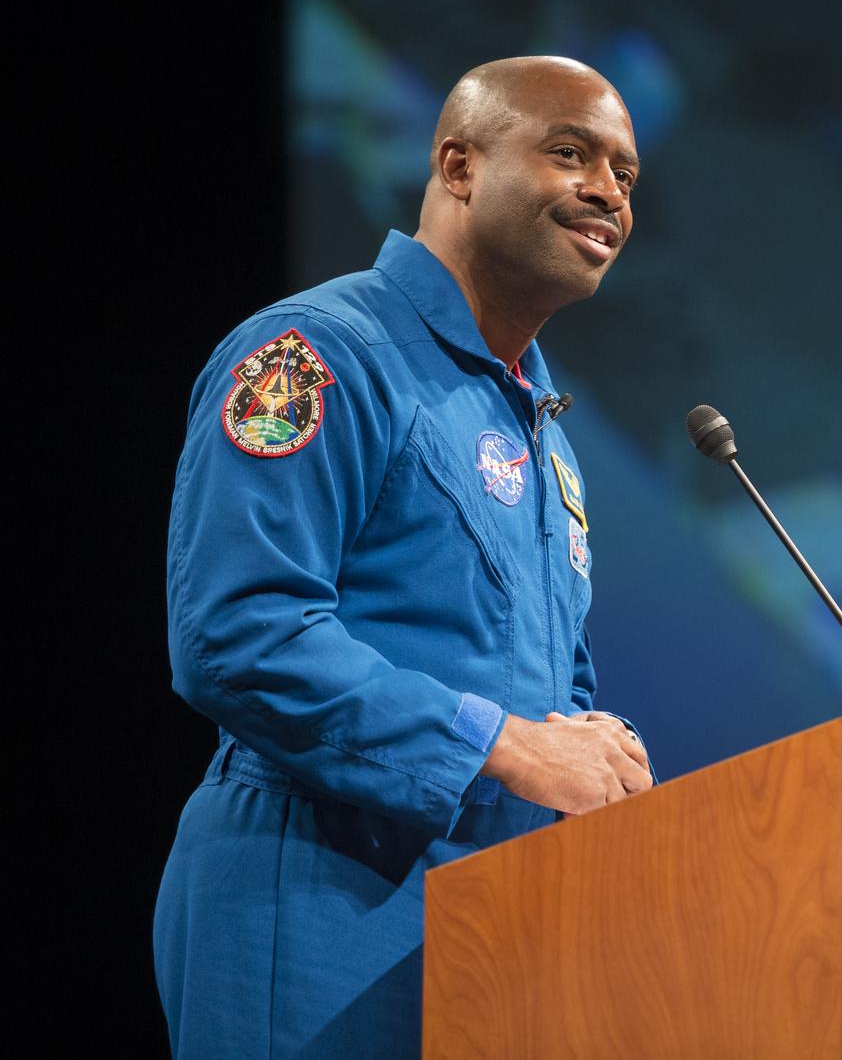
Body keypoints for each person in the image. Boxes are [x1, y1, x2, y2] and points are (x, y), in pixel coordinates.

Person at [154, 56, 653, 1059]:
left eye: (626, 175)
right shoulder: (319, 352)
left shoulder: (543, 433)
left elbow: (542, 680)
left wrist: (596, 745)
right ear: (458, 166)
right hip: (319, 892)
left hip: (497, 914)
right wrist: (507, 745)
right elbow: (238, 633)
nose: (608, 190)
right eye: (571, 154)